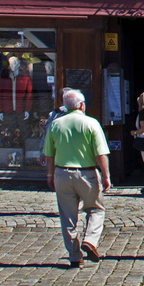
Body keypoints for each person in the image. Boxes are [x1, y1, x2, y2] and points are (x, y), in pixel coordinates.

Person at [42, 89, 111, 268]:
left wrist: (49, 175)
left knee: (67, 216)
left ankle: (74, 255)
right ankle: (90, 240)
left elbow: (49, 155)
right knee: (96, 209)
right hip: (87, 174)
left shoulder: (55, 124)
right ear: (82, 105)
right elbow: (101, 153)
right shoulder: (91, 123)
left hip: (62, 173)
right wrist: (106, 176)